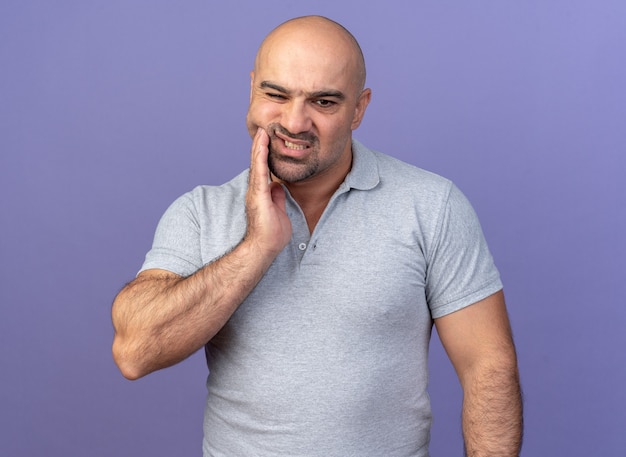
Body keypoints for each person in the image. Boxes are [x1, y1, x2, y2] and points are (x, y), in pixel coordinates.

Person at [112, 15, 522, 457]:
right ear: (252, 88)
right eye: (276, 94)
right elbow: (136, 351)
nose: (295, 121)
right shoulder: (200, 212)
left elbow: (488, 367)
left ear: (359, 109)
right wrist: (256, 248)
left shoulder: (432, 205)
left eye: (324, 102)